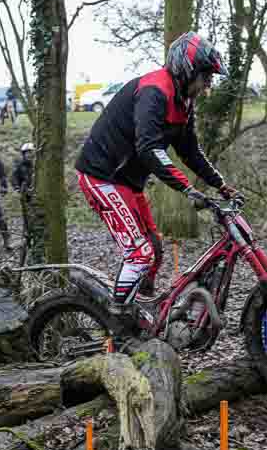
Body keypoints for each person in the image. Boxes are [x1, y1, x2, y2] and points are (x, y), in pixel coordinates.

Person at [75, 31, 242, 325]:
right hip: (101, 176)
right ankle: (120, 322)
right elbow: (148, 147)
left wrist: (220, 184)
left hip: (126, 181)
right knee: (139, 253)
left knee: (155, 247)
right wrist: (187, 189)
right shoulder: (155, 91)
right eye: (206, 77)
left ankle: (143, 312)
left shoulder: (183, 102)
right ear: (187, 70)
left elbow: (190, 151)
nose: (208, 86)